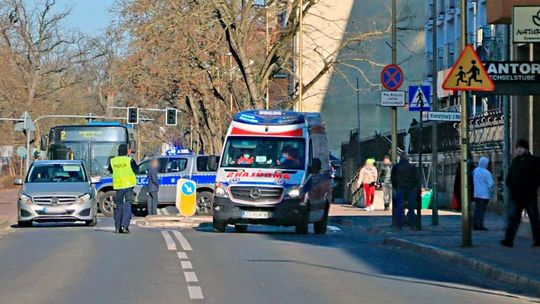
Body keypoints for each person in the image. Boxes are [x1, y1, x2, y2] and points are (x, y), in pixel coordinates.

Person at [501, 140, 540, 247]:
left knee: (534, 218)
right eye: (517, 147)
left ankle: (538, 240)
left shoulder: (534, 161)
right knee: (513, 218)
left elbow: (537, 177)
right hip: (516, 196)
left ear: (526, 149)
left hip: (529, 195)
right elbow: (509, 177)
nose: (519, 150)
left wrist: (532, 188)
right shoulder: (515, 161)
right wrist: (512, 187)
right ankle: (508, 240)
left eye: (521, 147)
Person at [108, 144, 138, 234]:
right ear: (126, 151)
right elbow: (137, 169)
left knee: (118, 207)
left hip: (118, 186)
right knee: (127, 205)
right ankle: (125, 226)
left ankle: (117, 227)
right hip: (128, 186)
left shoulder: (113, 161)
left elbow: (110, 170)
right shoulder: (130, 160)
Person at [391, 152, 420, 228]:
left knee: (400, 207)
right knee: (411, 207)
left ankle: (399, 224)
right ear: (407, 158)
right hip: (410, 188)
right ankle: (411, 223)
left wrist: (395, 187)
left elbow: (393, 178)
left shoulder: (396, 167)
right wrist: (415, 187)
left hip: (400, 188)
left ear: (400, 158)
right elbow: (416, 178)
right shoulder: (412, 167)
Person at [472, 156, 493, 230]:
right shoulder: (487, 173)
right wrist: (491, 192)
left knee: (477, 209)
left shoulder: (475, 171)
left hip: (477, 194)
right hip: (485, 195)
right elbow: (490, 184)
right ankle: (481, 225)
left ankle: (474, 224)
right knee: (482, 210)